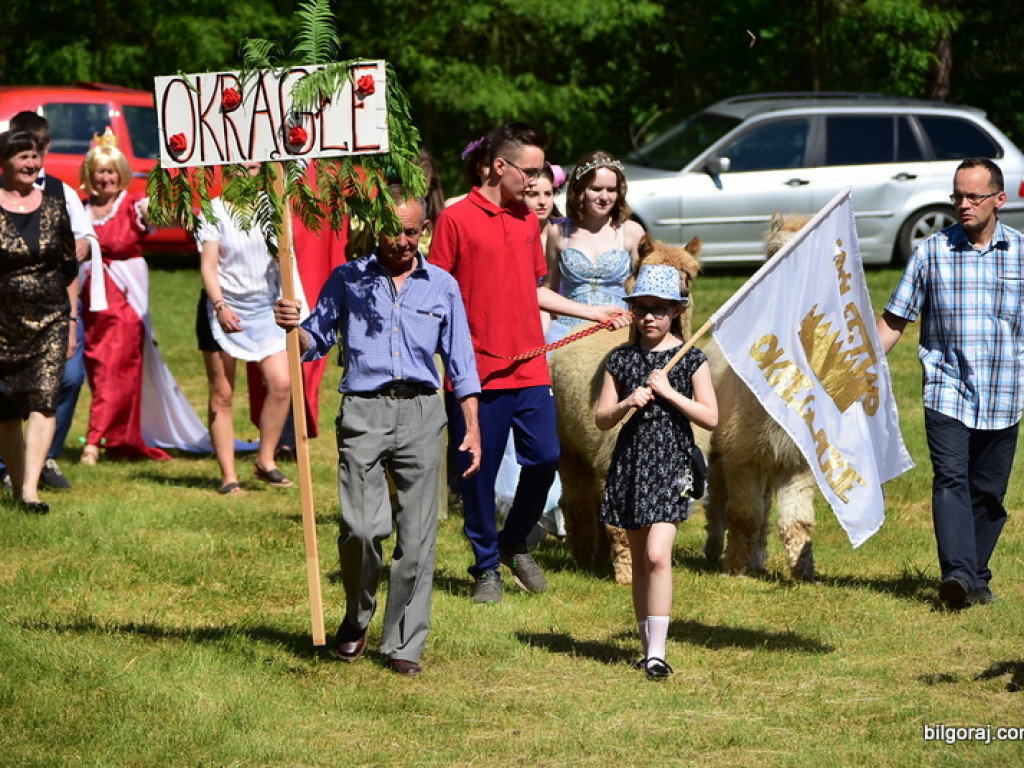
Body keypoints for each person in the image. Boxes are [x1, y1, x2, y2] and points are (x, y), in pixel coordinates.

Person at [273, 190, 481, 677]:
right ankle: (357, 613)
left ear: (424, 230)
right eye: (394, 232)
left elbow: (462, 363)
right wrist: (292, 326)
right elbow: (313, 339)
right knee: (362, 529)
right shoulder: (347, 278)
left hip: (423, 413)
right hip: (363, 412)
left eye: (412, 232)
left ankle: (405, 641)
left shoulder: (442, 286)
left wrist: (472, 426)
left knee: (418, 536)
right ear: (375, 228)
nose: (404, 242)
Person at [430, 122, 629, 604]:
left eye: (542, 172)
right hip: (477, 372)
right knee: (477, 472)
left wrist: (593, 312)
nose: (539, 182)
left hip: (529, 366)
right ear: (500, 166)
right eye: (531, 171)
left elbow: (535, 289)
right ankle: (485, 567)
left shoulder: (526, 222)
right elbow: (435, 293)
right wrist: (448, 355)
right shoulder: (456, 219)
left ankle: (513, 539)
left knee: (543, 459)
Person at [876, 157, 1024, 610]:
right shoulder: (931, 253)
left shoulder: (1021, 253)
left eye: (973, 197)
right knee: (950, 479)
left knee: (989, 494)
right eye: (957, 196)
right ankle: (957, 574)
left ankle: (976, 576)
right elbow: (895, 321)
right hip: (947, 388)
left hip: (1004, 391)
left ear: (999, 199)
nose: (963, 204)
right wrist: (855, 367)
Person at [595, 264, 718, 680]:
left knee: (657, 554)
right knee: (640, 562)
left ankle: (658, 654)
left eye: (660, 309)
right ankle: (647, 647)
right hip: (632, 464)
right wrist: (627, 402)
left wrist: (668, 393)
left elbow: (711, 417)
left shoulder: (692, 359)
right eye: (642, 308)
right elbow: (601, 420)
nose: (650, 317)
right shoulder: (620, 360)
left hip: (673, 465)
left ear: (676, 311)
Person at [79, 130, 209, 464]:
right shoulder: (80, 209)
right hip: (90, 303)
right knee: (98, 368)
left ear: (121, 174)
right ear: (90, 175)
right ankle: (118, 437)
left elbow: (171, 215)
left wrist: (188, 211)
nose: (105, 178)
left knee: (115, 367)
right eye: (99, 172)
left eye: (111, 172)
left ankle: (93, 442)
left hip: (125, 301)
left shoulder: (134, 205)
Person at [0, 111, 95, 491]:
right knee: (7, 404)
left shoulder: (58, 196)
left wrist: (71, 320)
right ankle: (11, 471)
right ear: (5, 159)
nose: (31, 162)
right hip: (5, 322)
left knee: (54, 390)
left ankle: (33, 483)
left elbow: (77, 255)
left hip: (51, 316)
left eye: (36, 154)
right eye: (22, 155)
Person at [195, 162, 292, 494]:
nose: (245, 172)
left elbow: (284, 257)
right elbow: (208, 266)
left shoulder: (272, 207)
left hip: (265, 307)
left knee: (281, 383)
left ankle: (266, 460)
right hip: (223, 306)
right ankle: (228, 477)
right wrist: (221, 305)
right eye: (238, 166)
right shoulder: (214, 210)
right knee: (222, 393)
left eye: (252, 166)